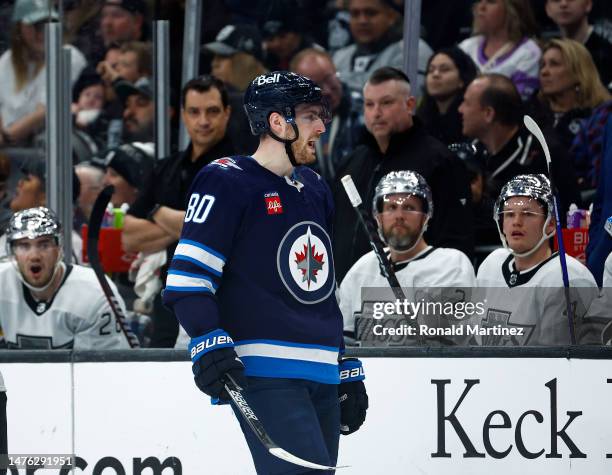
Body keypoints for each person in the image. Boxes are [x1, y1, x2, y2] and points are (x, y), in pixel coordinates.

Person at [162, 71, 368, 473]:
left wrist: (341, 363)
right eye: (310, 116)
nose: (321, 126)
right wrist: (206, 339)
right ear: (278, 123)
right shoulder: (227, 181)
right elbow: (188, 278)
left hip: (321, 371)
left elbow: (322, 290)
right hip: (266, 371)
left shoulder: (315, 188)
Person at [122, 75, 235, 347]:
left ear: (227, 113)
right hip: (167, 297)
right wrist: (188, 226)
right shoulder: (165, 168)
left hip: (222, 297)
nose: (203, 121)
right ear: (183, 115)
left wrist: (157, 212)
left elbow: (221, 231)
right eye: (194, 112)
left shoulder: (240, 169)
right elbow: (128, 236)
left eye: (212, 111)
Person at [332, 67, 473, 283]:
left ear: (409, 105)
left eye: (386, 103)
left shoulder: (440, 162)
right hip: (349, 291)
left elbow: (454, 239)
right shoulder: (351, 163)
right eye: (369, 104)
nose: (376, 112)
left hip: (416, 292)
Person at [339, 171, 476, 345]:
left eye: (409, 207)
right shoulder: (361, 269)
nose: (399, 216)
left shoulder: (452, 266)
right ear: (378, 217)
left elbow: (446, 348)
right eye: (391, 207)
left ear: (426, 216)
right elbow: (346, 343)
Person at [475, 174, 600, 345]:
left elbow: (563, 362)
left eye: (527, 214)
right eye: (509, 214)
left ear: (550, 223)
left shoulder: (569, 277)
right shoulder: (490, 265)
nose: (516, 222)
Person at [0, 207, 132, 349]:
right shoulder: (3, 282)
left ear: (59, 247)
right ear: (12, 251)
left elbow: (101, 367)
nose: (34, 256)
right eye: (24, 246)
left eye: (44, 245)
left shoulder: (96, 293)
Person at [458, 73, 581, 225]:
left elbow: (569, 217)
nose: (460, 109)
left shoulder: (544, 155)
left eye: (466, 103)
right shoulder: (468, 154)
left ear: (488, 113)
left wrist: (480, 201)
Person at [0, 0, 86, 146]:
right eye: (37, 26)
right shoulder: (7, 59)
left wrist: (7, 137)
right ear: (19, 27)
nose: (43, 32)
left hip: (43, 149)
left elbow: (47, 110)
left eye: (48, 24)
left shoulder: (67, 55)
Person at [290, 47, 365, 181]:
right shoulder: (288, 123)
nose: (327, 91)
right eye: (316, 86)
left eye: (329, 79)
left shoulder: (363, 109)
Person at [333, 0, 433, 95]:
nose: (362, 21)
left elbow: (406, 101)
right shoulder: (340, 57)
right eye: (355, 14)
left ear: (391, 16)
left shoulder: (411, 50)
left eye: (371, 13)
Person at [530, 38, 611, 151]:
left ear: (579, 72)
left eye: (554, 64)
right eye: (543, 65)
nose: (544, 72)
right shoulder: (530, 114)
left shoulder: (598, 119)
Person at [459, 0, 541, 100]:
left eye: (491, 2)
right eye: (479, 1)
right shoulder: (466, 47)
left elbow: (516, 103)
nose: (481, 7)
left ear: (511, 10)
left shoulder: (528, 53)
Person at [416, 46, 479, 146]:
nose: (435, 74)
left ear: (462, 79)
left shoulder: (469, 120)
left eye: (444, 70)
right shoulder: (421, 116)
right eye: (431, 70)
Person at [545, 0, 612, 90]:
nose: (563, 4)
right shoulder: (546, 52)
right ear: (547, 9)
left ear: (588, 4)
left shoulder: (607, 51)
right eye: (556, 0)